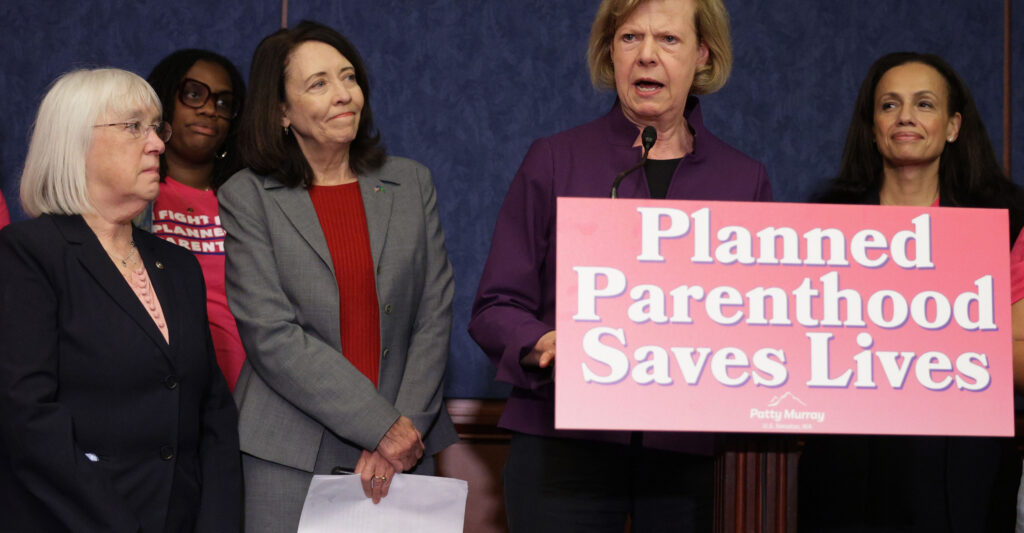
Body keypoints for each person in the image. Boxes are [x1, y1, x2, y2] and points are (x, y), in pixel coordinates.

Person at [468, 0, 772, 530]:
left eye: (669, 41)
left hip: (691, 453)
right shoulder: (557, 159)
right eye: (631, 38)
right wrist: (542, 342)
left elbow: (768, 323)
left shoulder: (742, 181)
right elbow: (496, 305)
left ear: (703, 54)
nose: (647, 56)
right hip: (562, 442)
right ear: (611, 51)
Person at [219, 20, 458, 531]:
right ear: (281, 111)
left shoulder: (411, 183)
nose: (343, 94)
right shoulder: (247, 196)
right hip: (287, 456)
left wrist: (402, 431)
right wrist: (380, 427)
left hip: (407, 450)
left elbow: (433, 315)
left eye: (348, 77)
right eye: (318, 83)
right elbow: (271, 334)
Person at [0, 68, 241, 532]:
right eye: (134, 127)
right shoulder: (28, 254)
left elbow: (212, 413)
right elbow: (27, 420)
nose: (156, 144)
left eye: (156, 128)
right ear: (74, 143)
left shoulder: (179, 265)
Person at [799, 51, 1023, 532]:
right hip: (844, 463)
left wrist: (920, 343)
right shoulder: (825, 223)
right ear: (873, 125)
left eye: (924, 104)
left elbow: (1022, 361)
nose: (905, 117)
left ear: (953, 126)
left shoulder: (1004, 221)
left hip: (964, 469)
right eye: (889, 105)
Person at [142, 49, 248, 391]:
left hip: (247, 387)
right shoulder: (135, 196)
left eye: (223, 102)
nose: (208, 108)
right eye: (193, 94)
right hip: (162, 381)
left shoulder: (248, 201)